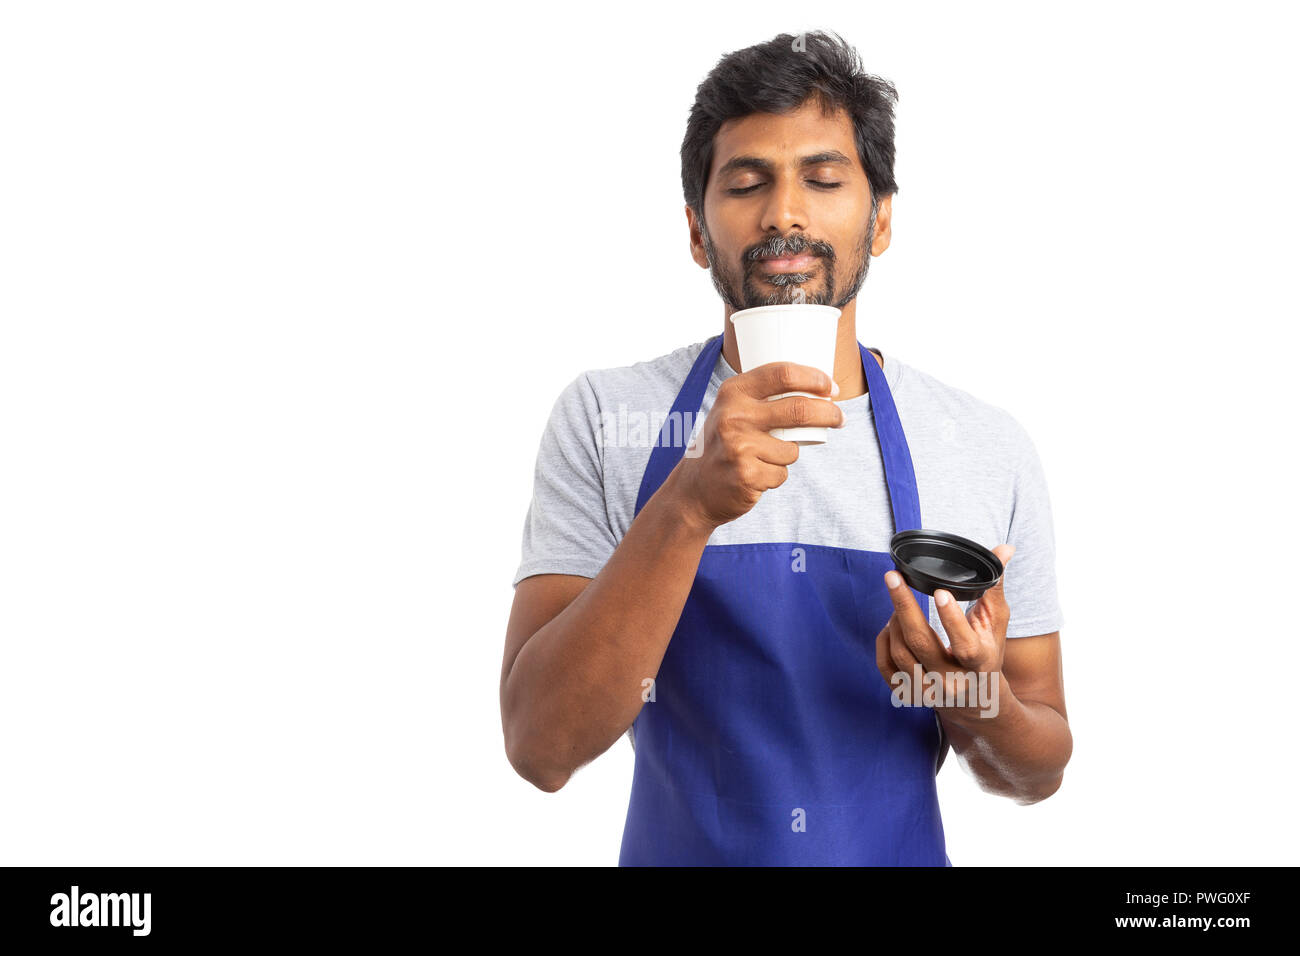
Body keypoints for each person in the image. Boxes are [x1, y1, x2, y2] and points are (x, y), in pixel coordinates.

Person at [500, 30, 1072, 866]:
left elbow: (1038, 769)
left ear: (880, 222)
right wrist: (688, 504)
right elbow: (541, 747)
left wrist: (970, 697)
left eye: (825, 178)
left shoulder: (983, 445)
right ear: (698, 231)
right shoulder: (605, 415)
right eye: (746, 183)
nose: (785, 213)